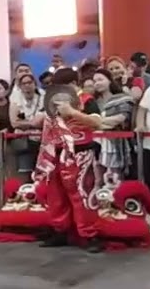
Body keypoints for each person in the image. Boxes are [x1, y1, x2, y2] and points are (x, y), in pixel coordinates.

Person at [39, 73, 105, 253]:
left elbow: (98, 123)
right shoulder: (52, 101)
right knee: (56, 196)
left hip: (80, 153)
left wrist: (73, 112)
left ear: (74, 84)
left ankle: (89, 235)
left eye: (63, 85)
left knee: (82, 194)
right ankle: (61, 231)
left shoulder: (87, 100)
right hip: (57, 152)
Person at [89, 68, 135, 185]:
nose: (97, 83)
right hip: (96, 144)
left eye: (100, 79)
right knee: (99, 178)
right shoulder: (92, 101)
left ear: (109, 80)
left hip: (116, 143)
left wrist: (97, 122)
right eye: (95, 81)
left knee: (116, 177)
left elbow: (121, 118)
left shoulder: (121, 98)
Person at [9, 72, 44, 181]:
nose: (27, 85)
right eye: (24, 83)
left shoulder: (43, 97)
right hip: (24, 144)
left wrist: (24, 124)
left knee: (42, 175)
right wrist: (32, 123)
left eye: (29, 82)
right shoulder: (15, 100)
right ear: (20, 86)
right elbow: (14, 123)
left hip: (41, 142)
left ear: (34, 83)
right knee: (25, 175)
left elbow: (43, 122)